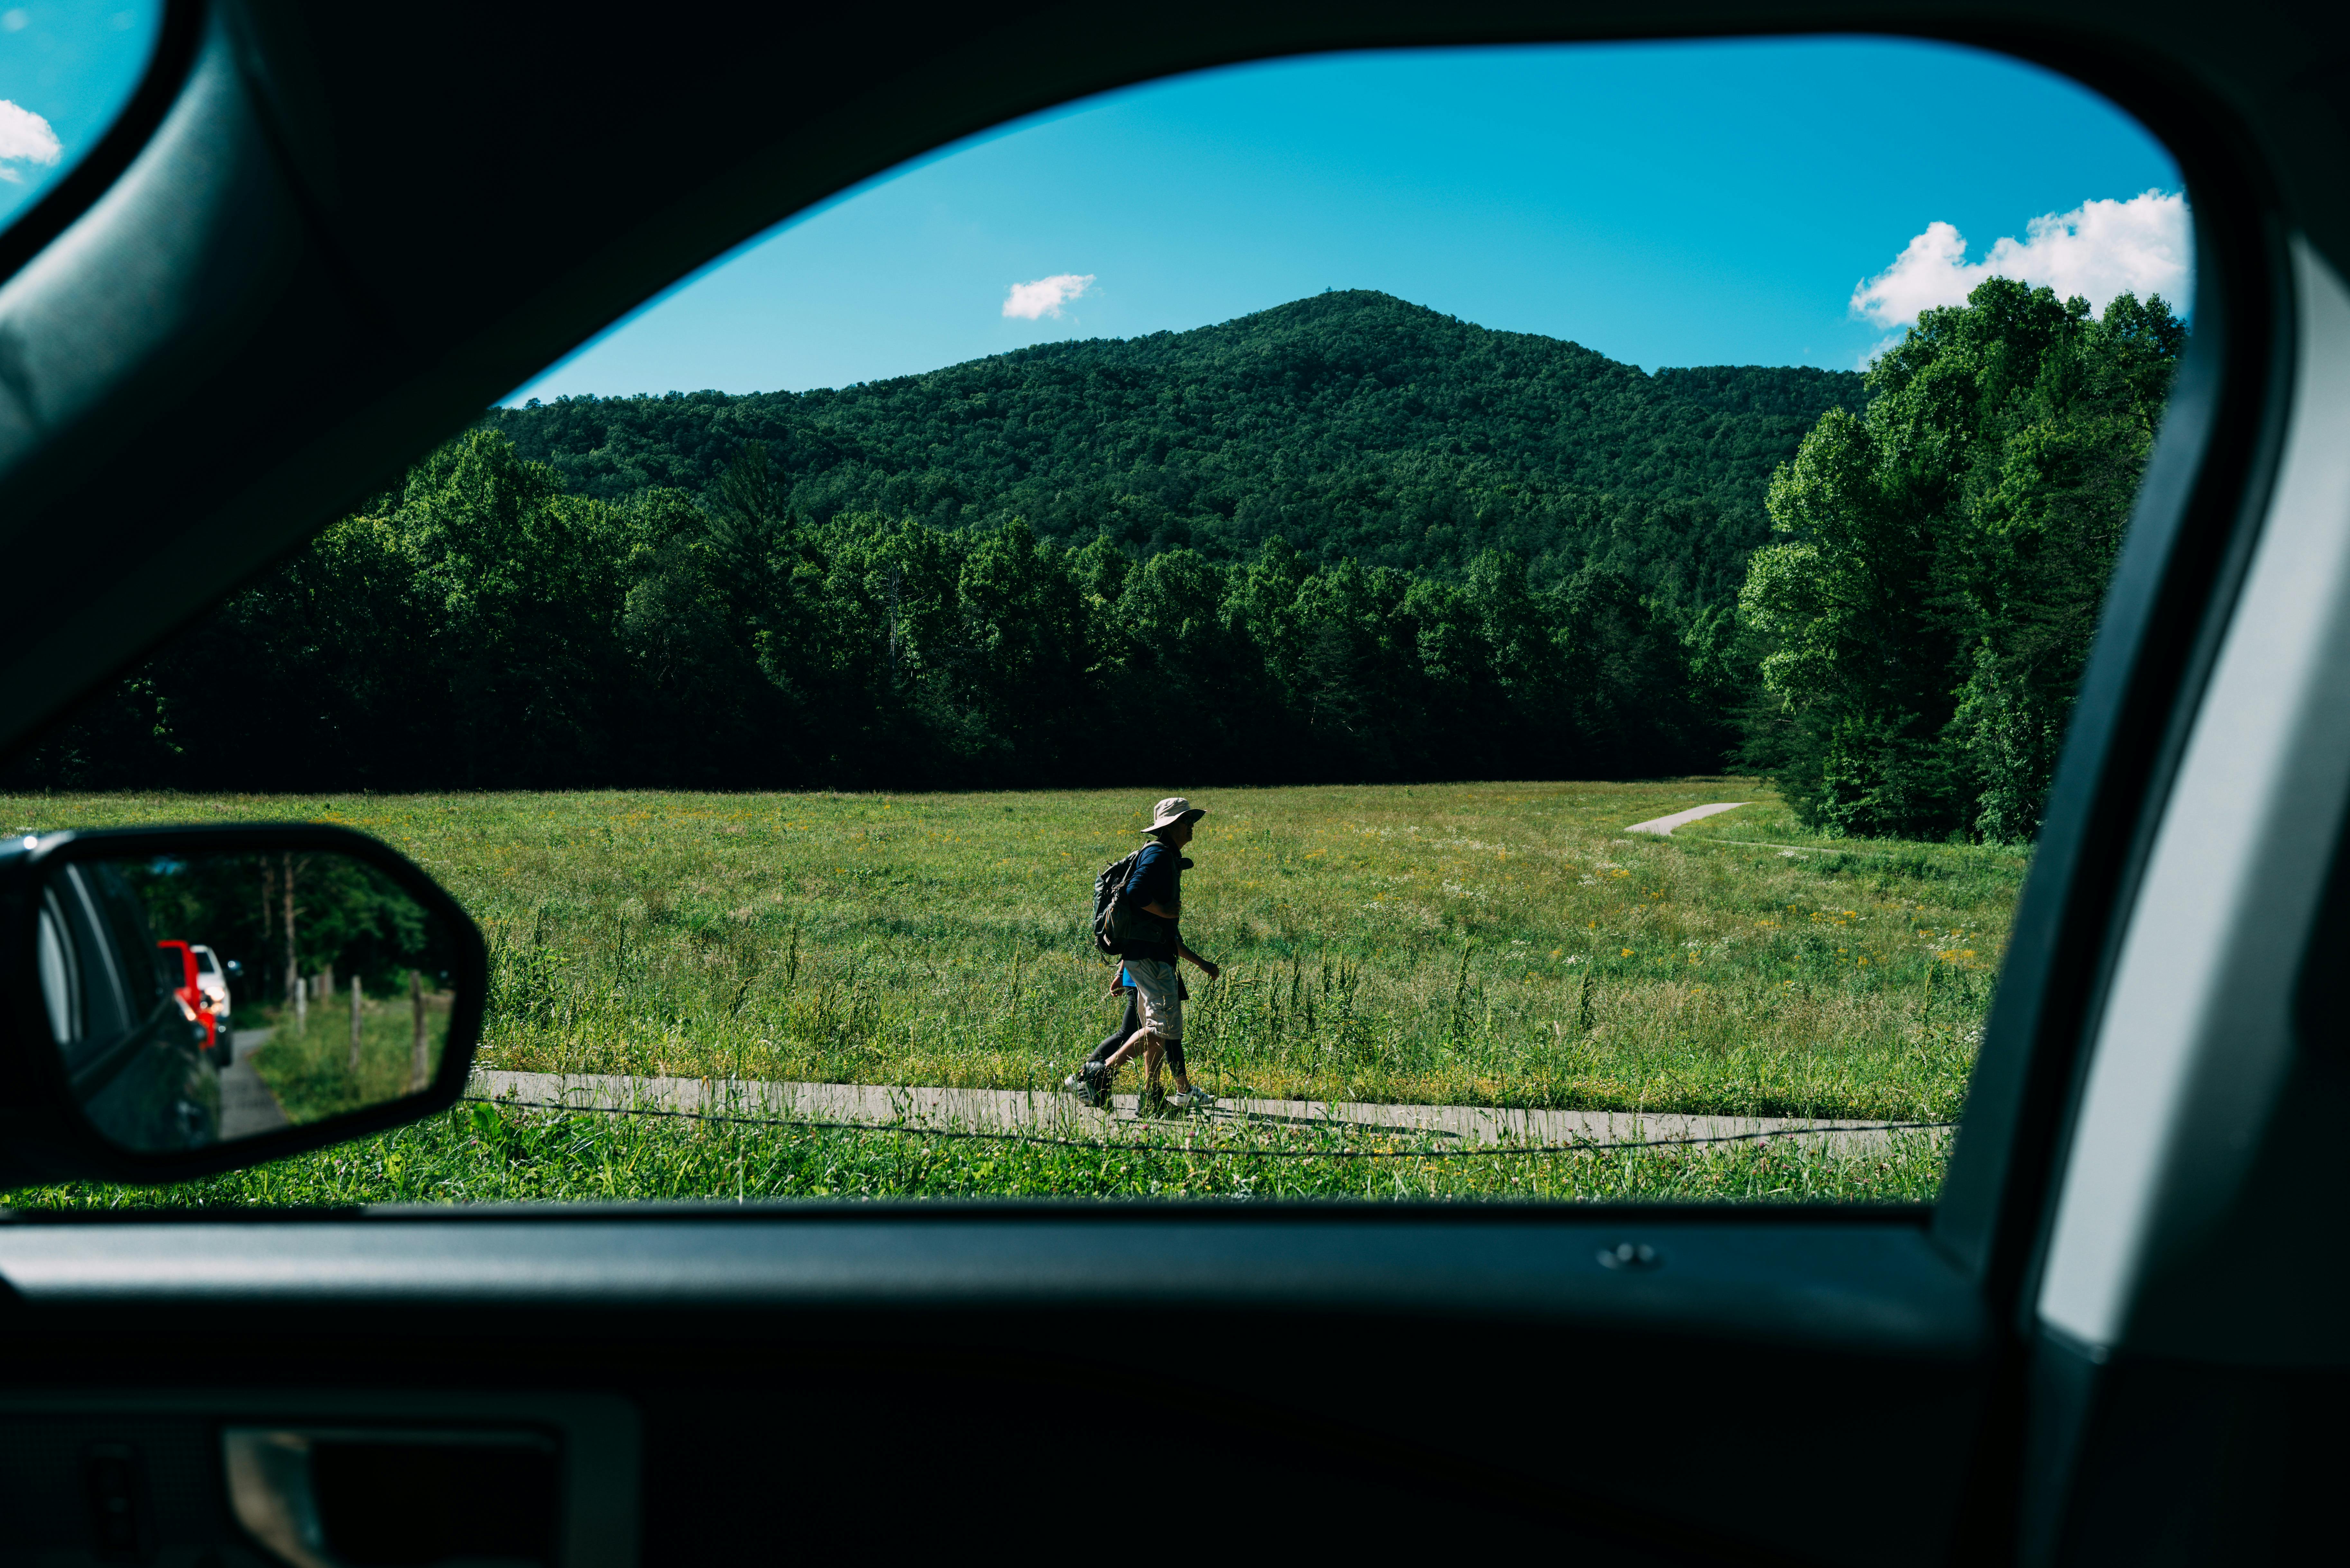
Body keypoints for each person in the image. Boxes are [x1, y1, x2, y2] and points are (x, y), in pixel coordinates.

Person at [1066, 796, 1220, 1112]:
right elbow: (1134, 893)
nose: (1191, 826)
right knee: (1162, 1028)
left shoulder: (1164, 856)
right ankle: (1099, 1072)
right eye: (1185, 821)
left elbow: (1143, 918)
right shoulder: (1159, 854)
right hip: (1152, 957)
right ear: (1169, 826)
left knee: (1157, 1029)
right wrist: (1164, 911)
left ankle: (1152, 1098)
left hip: (1149, 956)